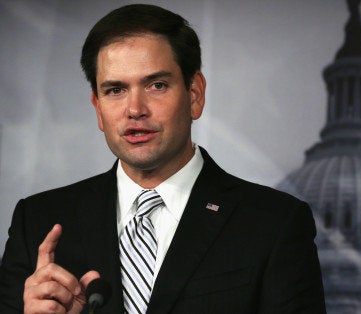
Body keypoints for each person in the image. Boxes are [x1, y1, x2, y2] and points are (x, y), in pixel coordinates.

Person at [0, 4, 325, 313]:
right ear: (98, 108)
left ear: (194, 95)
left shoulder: (274, 223)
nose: (135, 109)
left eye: (156, 85)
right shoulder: (37, 223)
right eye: (115, 90)